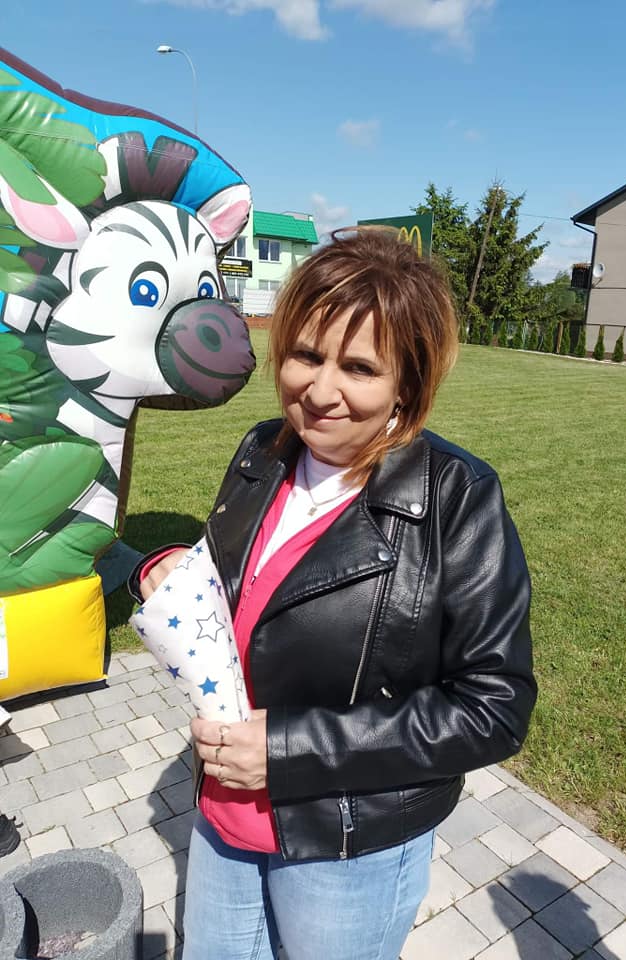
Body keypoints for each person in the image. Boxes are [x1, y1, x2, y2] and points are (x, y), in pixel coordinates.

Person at [130, 228, 537, 960]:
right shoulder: (262, 451)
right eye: (306, 355)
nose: (319, 392)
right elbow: (238, 583)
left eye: (358, 367)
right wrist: (168, 570)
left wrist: (287, 752)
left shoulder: (457, 497)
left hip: (349, 843)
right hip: (225, 809)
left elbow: (493, 708)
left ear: (407, 383)